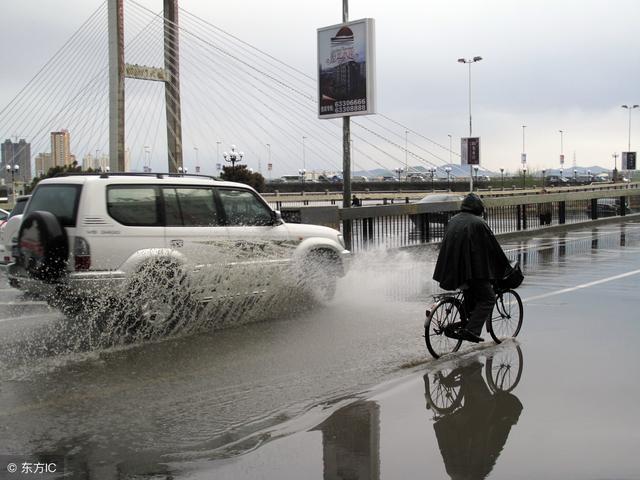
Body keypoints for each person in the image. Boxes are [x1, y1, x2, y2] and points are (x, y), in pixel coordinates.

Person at [432, 193, 512, 343]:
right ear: (479, 208)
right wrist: (504, 265)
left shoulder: (453, 220)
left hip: (453, 269)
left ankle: (464, 323)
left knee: (471, 294)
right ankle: (472, 330)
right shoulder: (478, 223)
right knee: (488, 298)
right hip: (471, 270)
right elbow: (493, 248)